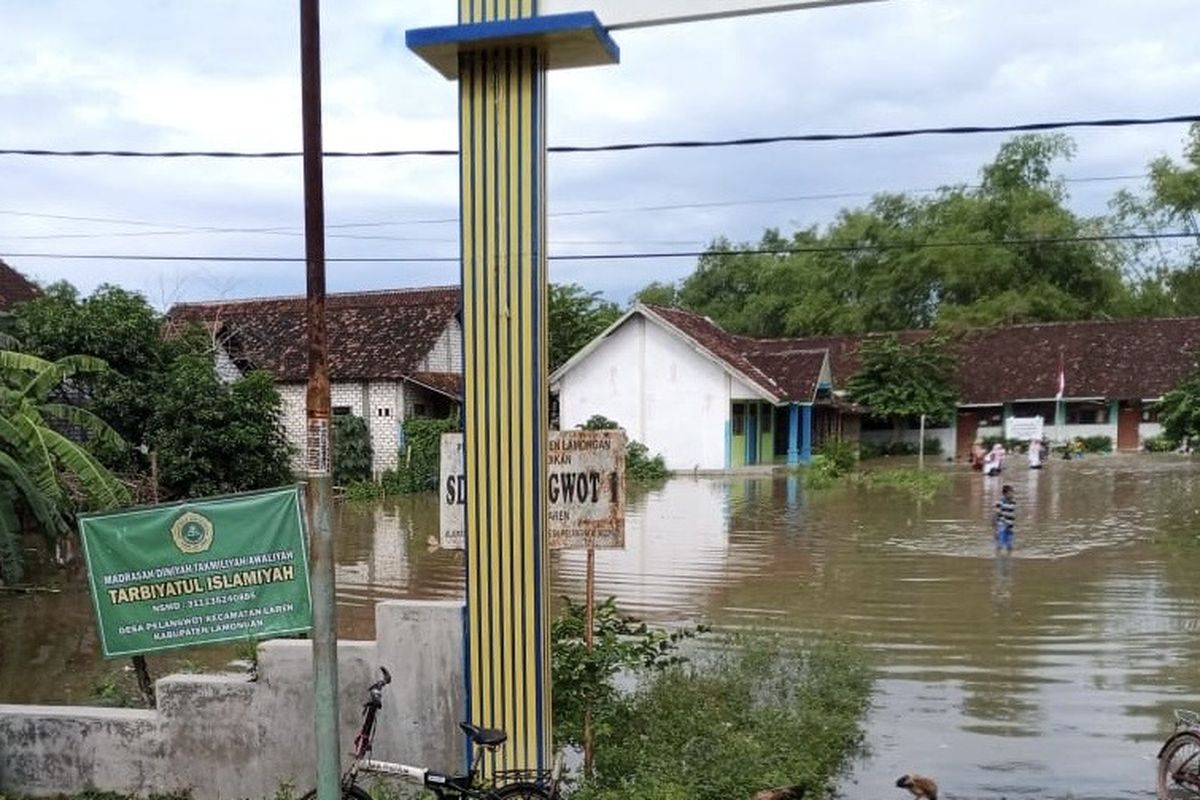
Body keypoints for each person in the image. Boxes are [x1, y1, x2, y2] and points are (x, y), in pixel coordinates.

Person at [994, 484, 1016, 554]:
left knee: (1010, 546)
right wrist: (996, 529)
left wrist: (1011, 526)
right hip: (1002, 526)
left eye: (1012, 492)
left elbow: (1012, 514)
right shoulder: (1000, 501)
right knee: (1000, 545)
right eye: (1010, 493)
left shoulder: (1013, 502)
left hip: (1010, 526)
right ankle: (998, 558)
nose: (1012, 494)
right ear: (1005, 493)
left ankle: (1008, 557)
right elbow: (997, 514)